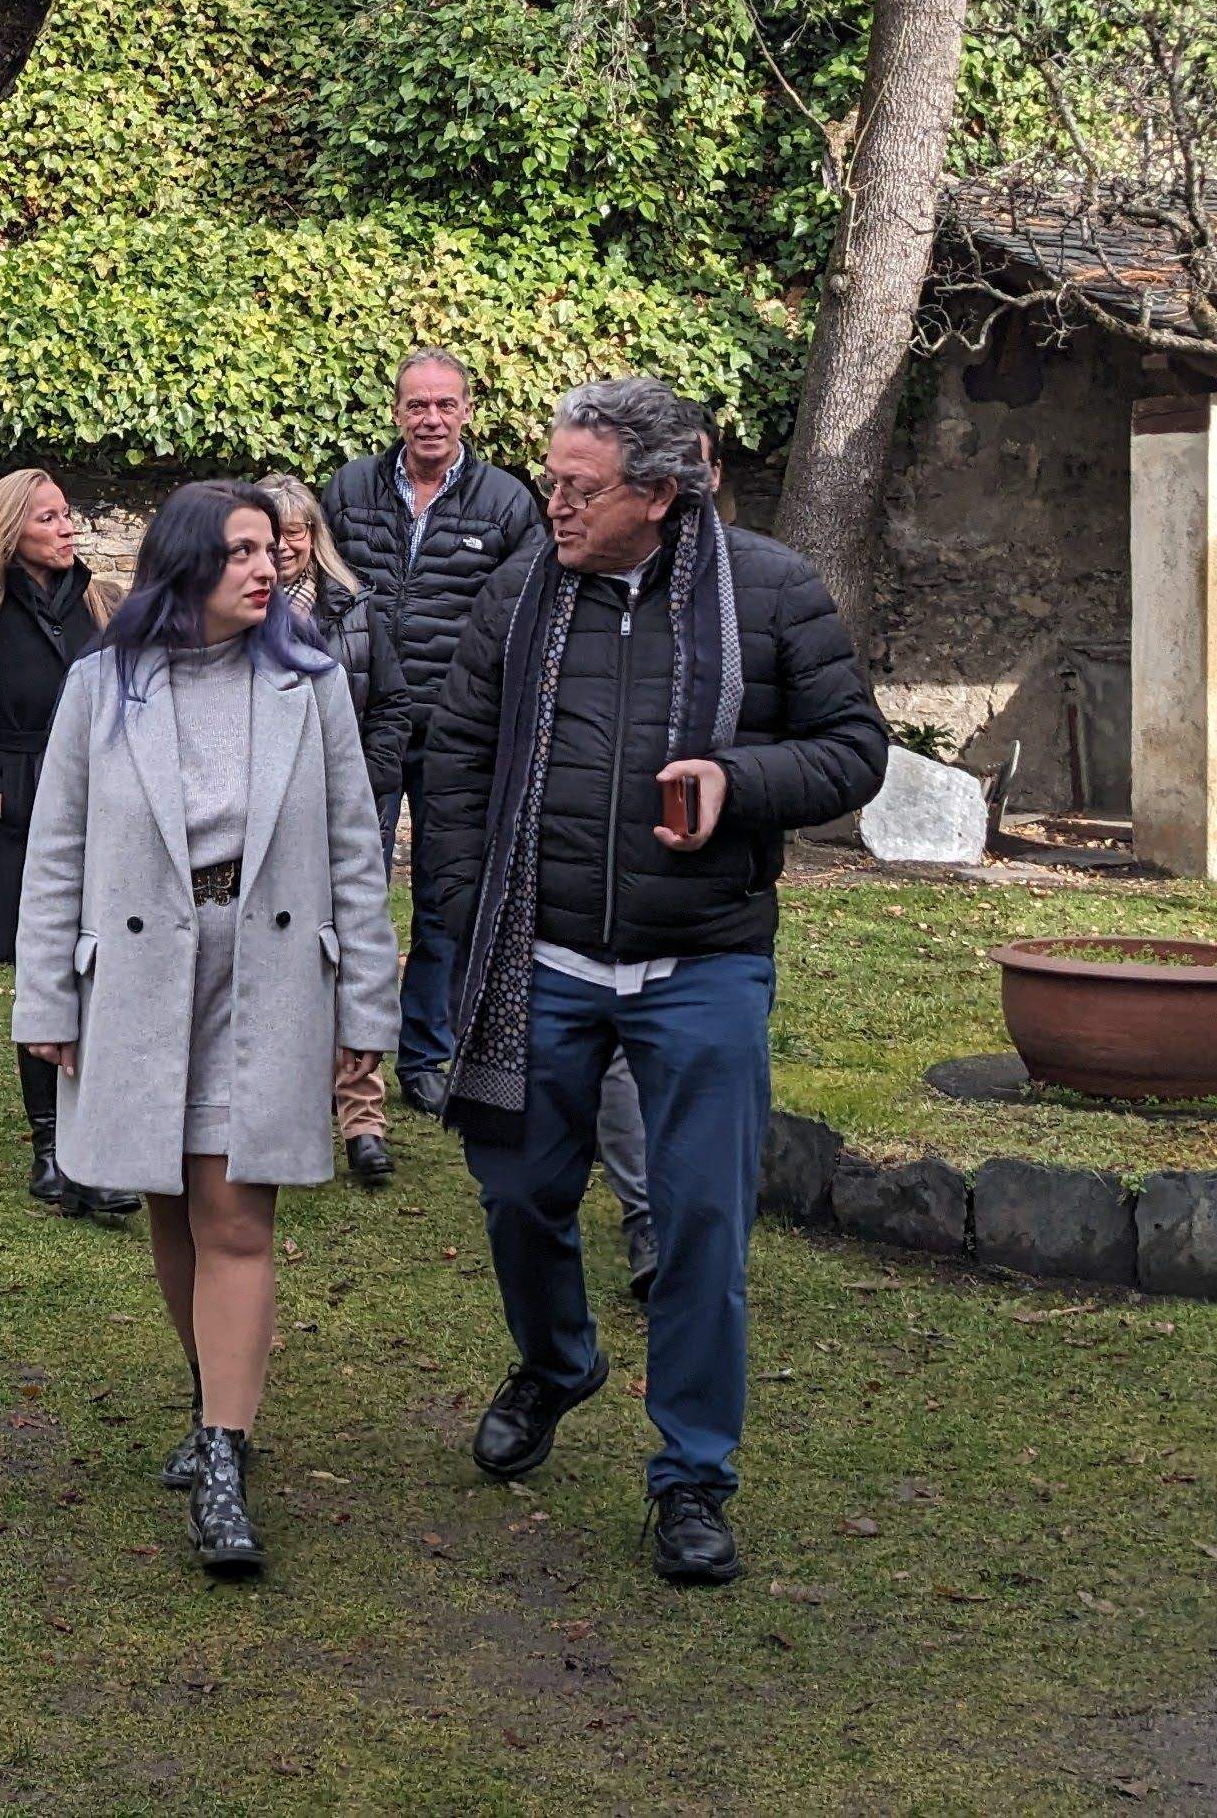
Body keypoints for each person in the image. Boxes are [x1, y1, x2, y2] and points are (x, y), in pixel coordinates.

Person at [418, 377, 887, 1587]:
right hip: (544, 959)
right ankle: (559, 1360)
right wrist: (474, 921)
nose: (553, 505)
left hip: (705, 964)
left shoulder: (773, 592)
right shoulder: (523, 589)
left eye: (579, 489)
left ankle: (690, 1478)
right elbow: (458, 755)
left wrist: (739, 782)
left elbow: (853, 752)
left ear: (661, 494)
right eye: (551, 480)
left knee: (700, 1229)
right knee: (519, 1194)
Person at [12, 482, 396, 1580]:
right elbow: (59, 853)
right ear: (185, 565)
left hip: (269, 971)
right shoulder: (103, 686)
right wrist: (47, 1000)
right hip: (138, 977)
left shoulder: (310, 682)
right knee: (172, 1205)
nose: (265, 568)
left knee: (236, 1212)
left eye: (269, 550)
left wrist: (366, 1007)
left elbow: (356, 852)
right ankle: (209, 1395)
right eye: (237, 553)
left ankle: (225, 1455)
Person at [319, 349, 543, 1115]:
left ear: (469, 410)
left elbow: (527, 615)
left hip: (459, 730)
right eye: (417, 405)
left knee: (446, 897)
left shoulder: (509, 504)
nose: (431, 419)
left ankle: (427, 1053)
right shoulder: (348, 490)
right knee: (354, 888)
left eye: (445, 404)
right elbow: (321, 591)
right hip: (364, 721)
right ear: (395, 412)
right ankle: (347, 1050)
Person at [0, 468, 139, 1221]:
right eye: (48, 517)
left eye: (67, 513)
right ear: (11, 528)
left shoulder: (105, 605)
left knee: (106, 973)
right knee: (46, 977)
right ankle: (50, 1150)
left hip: (104, 805)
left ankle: (99, 1147)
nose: (66, 526)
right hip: (18, 808)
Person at [255, 472, 390, 1191]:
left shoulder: (356, 608)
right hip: (277, 824)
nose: (281, 551)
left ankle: (363, 1121)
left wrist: (369, 786)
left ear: (314, 537)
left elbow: (391, 706)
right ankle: (294, 1112)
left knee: (358, 952)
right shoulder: (236, 621)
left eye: (294, 534)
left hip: (355, 804)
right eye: (267, 538)